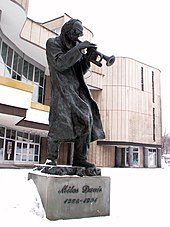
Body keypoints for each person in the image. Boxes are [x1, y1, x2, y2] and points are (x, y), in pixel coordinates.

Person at [45, 18, 105, 167]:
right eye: (75, 32)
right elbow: (60, 64)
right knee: (59, 122)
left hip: (77, 90)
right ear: (67, 30)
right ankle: (51, 158)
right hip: (63, 89)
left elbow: (80, 71)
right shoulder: (53, 43)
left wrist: (86, 59)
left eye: (80, 33)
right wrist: (78, 50)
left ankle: (80, 158)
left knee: (87, 119)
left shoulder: (75, 46)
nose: (77, 36)